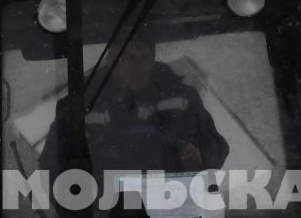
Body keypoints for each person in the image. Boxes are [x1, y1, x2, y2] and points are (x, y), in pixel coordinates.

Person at [44, 32, 229, 175]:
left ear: (153, 58)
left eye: (144, 57)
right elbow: (50, 166)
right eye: (127, 58)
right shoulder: (78, 106)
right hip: (103, 213)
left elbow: (217, 147)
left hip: (173, 209)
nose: (138, 65)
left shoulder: (184, 99)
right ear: (110, 60)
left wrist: (200, 153)